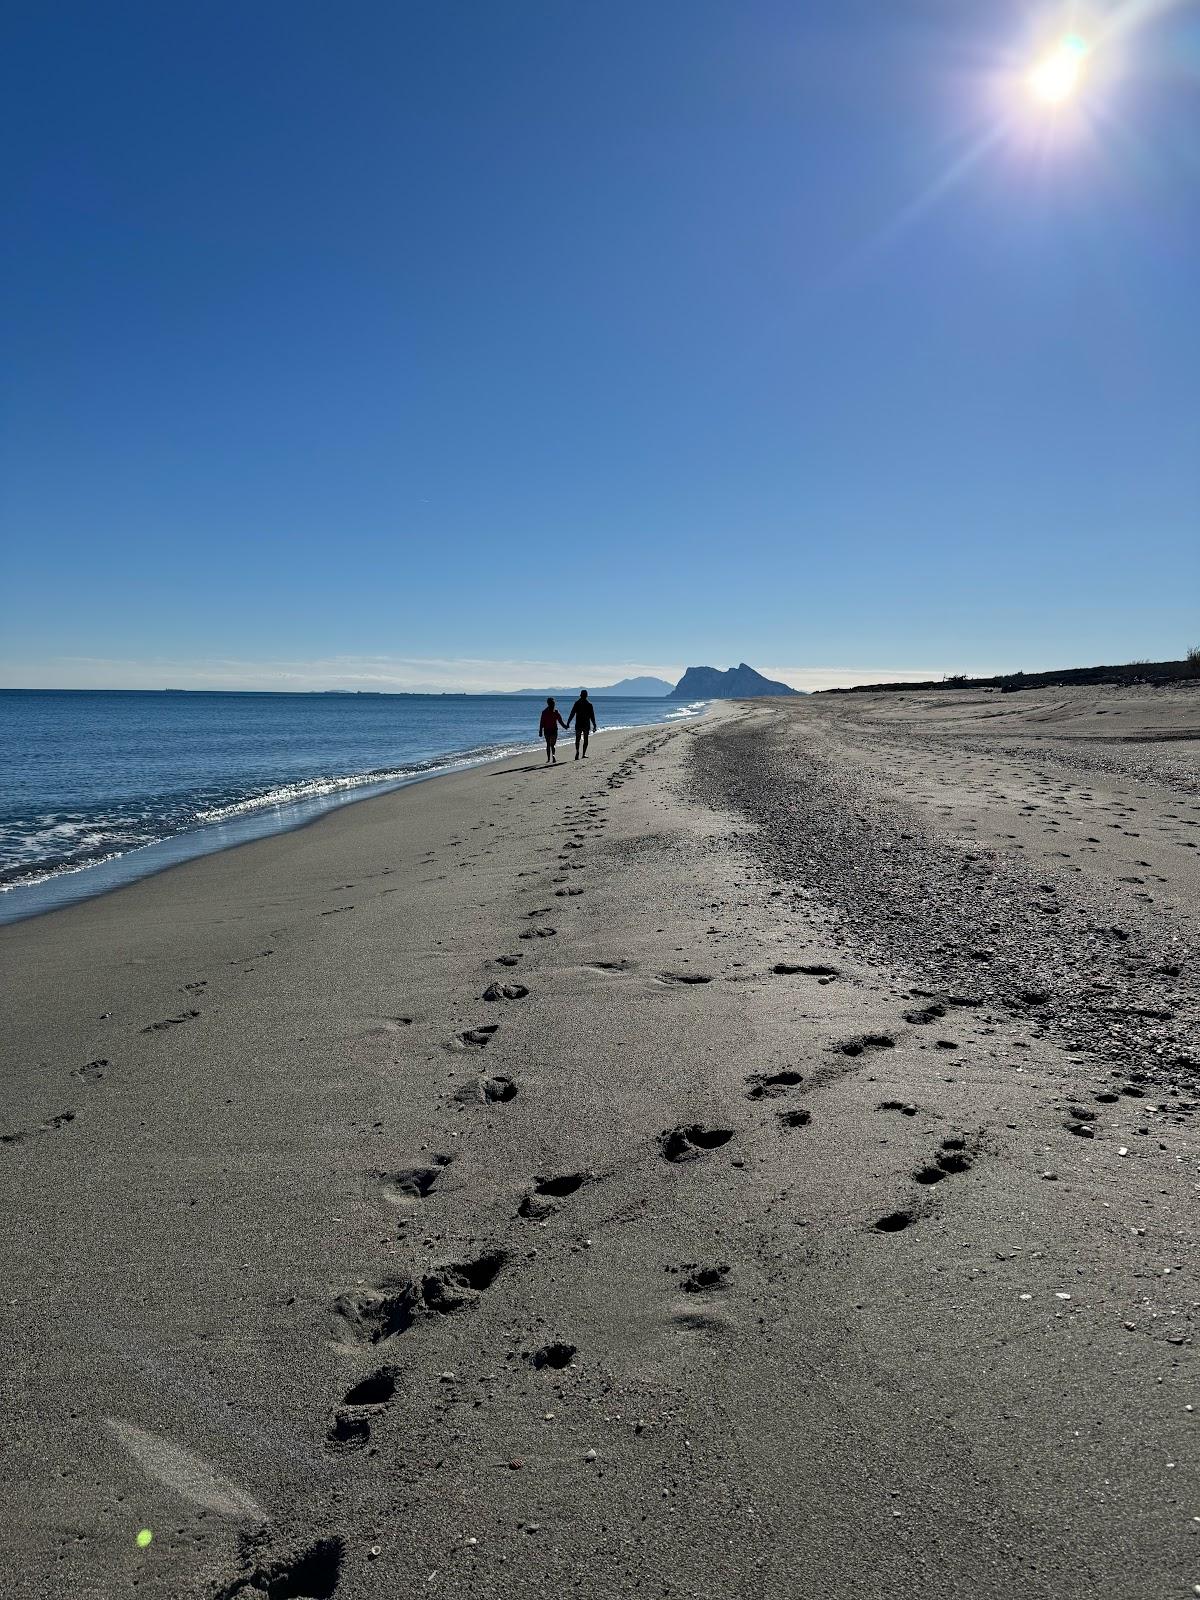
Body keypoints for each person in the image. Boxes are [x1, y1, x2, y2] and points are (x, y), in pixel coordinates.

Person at [566, 689, 598, 759]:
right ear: (586, 696)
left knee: (577, 739)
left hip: (578, 724)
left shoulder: (577, 703)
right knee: (585, 739)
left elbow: (572, 714)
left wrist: (568, 722)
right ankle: (583, 754)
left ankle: (577, 751)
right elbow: (592, 716)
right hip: (586, 724)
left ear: (580, 695)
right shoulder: (589, 704)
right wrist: (594, 725)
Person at [538, 697, 567, 764]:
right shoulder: (556, 712)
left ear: (548, 703)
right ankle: (553, 755)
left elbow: (541, 722)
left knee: (548, 744)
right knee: (553, 745)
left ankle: (548, 759)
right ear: (553, 703)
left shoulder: (544, 712)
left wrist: (540, 731)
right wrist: (565, 726)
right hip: (554, 730)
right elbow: (560, 722)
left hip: (547, 730)